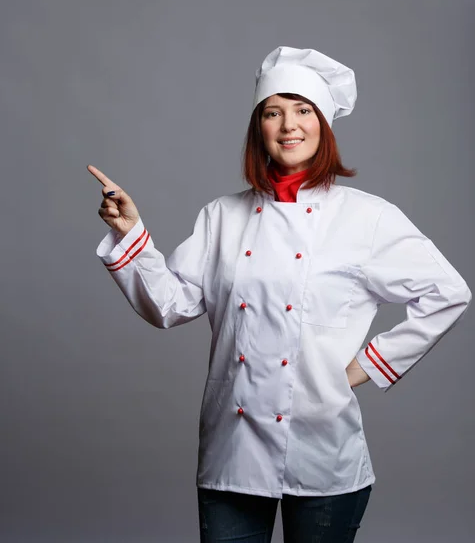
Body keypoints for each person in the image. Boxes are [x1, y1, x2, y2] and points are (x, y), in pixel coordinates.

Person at [88, 46, 472, 542]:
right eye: (273, 112)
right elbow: (169, 304)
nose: (288, 125)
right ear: (258, 128)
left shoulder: (367, 217)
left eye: (302, 110)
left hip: (324, 451)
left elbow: (448, 292)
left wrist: (369, 365)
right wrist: (130, 233)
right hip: (232, 450)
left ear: (323, 125)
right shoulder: (221, 216)